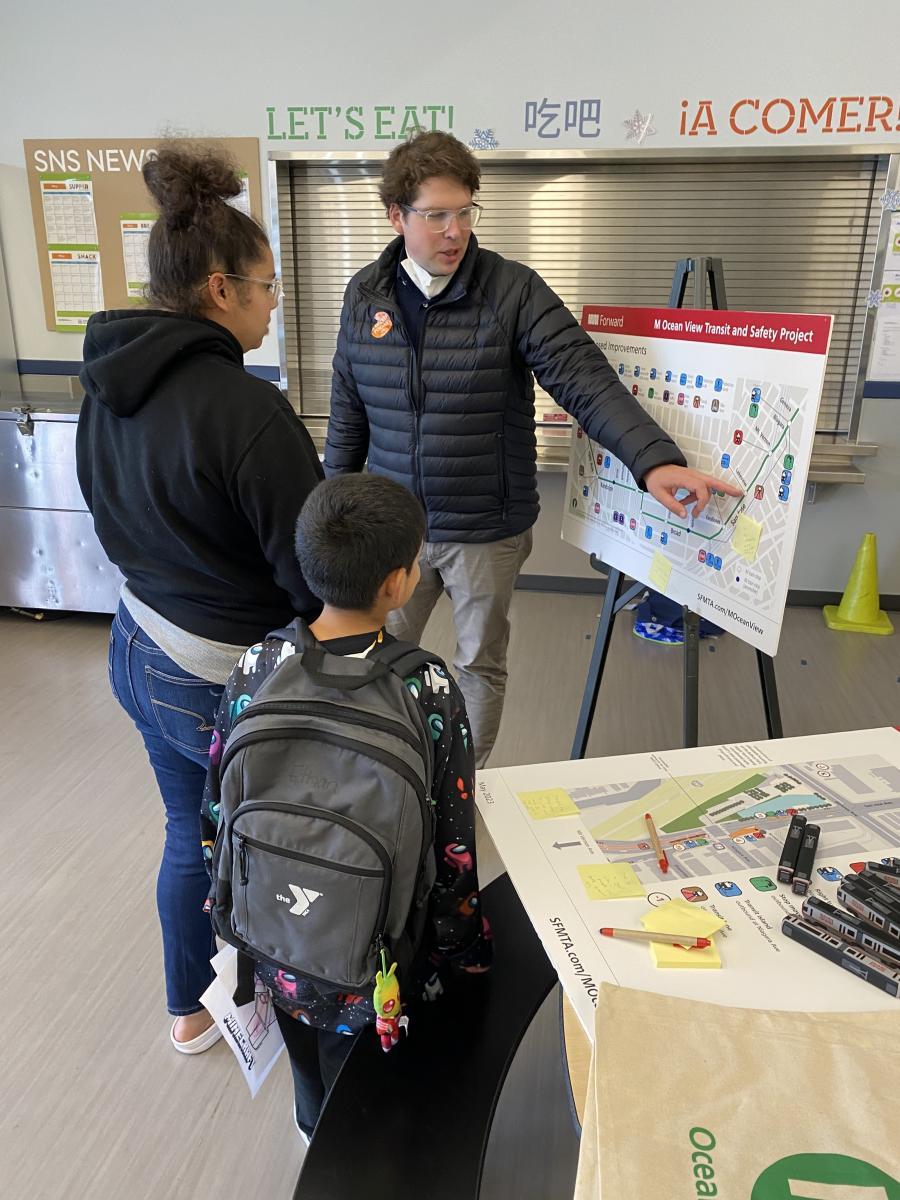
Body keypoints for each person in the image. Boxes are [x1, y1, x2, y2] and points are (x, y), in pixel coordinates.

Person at [325, 131, 742, 767]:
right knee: (374, 656)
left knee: (478, 664)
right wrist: (333, 509)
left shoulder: (512, 291)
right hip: (392, 526)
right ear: (397, 216)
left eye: (465, 212)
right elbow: (349, 408)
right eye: (436, 215)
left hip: (484, 529)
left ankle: (461, 791)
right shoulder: (366, 295)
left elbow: (583, 375)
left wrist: (652, 458)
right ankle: (383, 776)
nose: (454, 230)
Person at [76, 143, 323, 1053]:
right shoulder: (248, 412)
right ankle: (295, 1023)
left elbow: (104, 510)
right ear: (221, 290)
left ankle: (190, 1011)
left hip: (135, 643)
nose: (272, 303)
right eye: (265, 286)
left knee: (189, 831)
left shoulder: (105, 383)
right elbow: (311, 574)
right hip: (218, 672)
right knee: (270, 849)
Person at [201, 474, 491, 1140]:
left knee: (307, 1068)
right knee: (370, 1091)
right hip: (381, 963)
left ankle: (310, 1127)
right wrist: (466, 952)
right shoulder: (427, 684)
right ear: (397, 582)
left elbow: (214, 816)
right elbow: (451, 843)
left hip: (271, 943)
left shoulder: (258, 664)